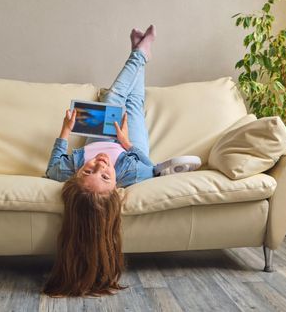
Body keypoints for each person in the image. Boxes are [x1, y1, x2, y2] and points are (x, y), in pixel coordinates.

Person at [43, 25, 200, 297]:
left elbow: (51, 167)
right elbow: (148, 166)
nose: (101, 164)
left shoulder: (65, 171)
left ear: (77, 174)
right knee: (135, 102)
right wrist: (126, 142)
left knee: (114, 97)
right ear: (117, 189)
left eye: (89, 169)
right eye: (104, 175)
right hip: (129, 143)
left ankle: (139, 53)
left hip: (99, 136)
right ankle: (139, 52)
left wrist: (66, 131)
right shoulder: (132, 174)